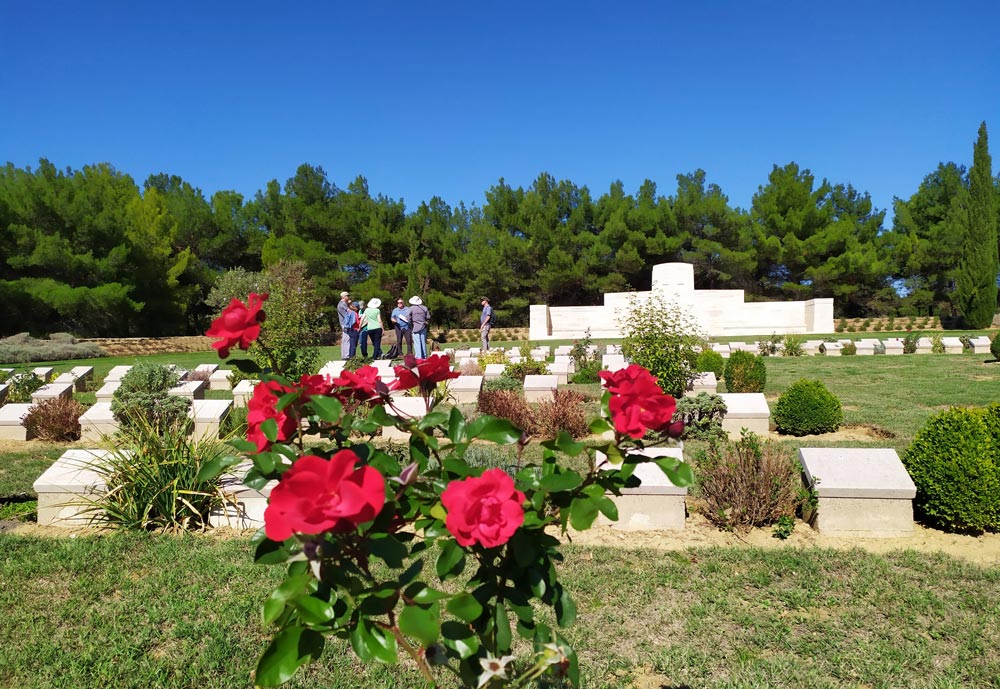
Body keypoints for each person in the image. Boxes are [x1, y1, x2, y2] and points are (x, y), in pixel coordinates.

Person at [337, 291, 352, 359]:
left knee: (345, 340)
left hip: (343, 324)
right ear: (343, 297)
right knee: (347, 340)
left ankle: (344, 355)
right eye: (347, 296)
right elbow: (349, 312)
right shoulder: (343, 304)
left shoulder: (341, 304)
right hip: (345, 324)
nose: (348, 297)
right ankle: (346, 355)